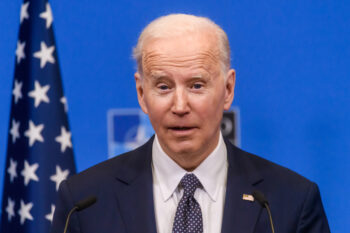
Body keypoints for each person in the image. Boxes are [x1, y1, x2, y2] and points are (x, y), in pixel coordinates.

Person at [51, 14, 330, 233]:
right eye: (163, 86)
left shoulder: (290, 201)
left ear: (228, 89)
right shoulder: (84, 202)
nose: (180, 106)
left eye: (196, 85)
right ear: (141, 94)